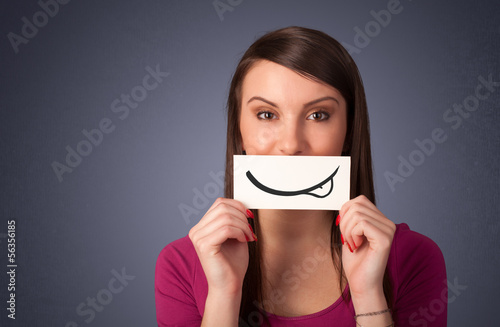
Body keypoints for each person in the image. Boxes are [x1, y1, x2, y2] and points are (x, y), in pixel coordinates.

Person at [155, 26, 447, 327]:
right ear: (239, 131)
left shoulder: (413, 257)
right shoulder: (181, 264)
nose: (291, 144)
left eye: (318, 115)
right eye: (267, 114)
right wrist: (223, 294)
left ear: (348, 132)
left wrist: (368, 294)